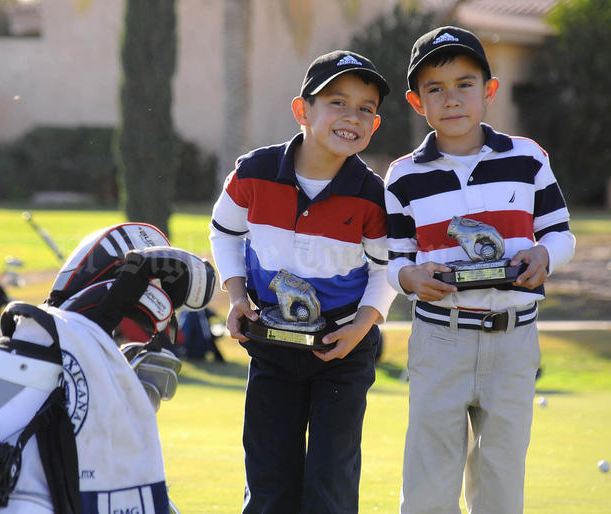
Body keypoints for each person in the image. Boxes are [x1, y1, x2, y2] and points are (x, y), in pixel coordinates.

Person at [384, 26, 576, 513]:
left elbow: (560, 234)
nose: (452, 99)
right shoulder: (404, 176)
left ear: (488, 91)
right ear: (416, 102)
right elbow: (395, 258)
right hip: (440, 339)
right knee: (429, 487)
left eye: (464, 84)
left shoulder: (527, 159)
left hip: (513, 341)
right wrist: (409, 279)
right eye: (435, 88)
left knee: (500, 487)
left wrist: (545, 255)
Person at [210, 50, 397, 513]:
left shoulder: (374, 196)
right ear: (302, 110)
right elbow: (225, 232)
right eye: (337, 102)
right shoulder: (253, 172)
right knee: (270, 482)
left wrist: (360, 329)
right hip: (272, 345)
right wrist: (236, 297)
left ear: (375, 123)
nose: (352, 116)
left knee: (329, 485)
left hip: (343, 350)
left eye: (366, 109)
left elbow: (384, 270)